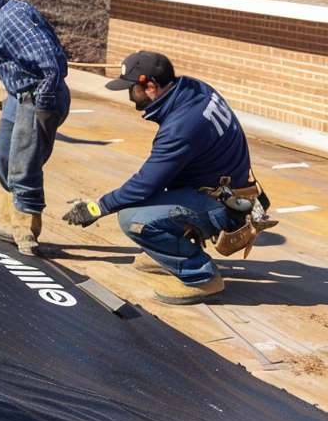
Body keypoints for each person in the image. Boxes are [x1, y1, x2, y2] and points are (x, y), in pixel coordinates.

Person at [61, 51, 256, 304]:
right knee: (154, 196)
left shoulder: (181, 127)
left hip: (219, 204)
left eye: (132, 89)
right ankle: (168, 253)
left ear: (150, 86)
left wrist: (97, 207)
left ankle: (202, 277)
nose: (130, 95)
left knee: (133, 219)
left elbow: (145, 184)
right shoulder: (194, 89)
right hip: (227, 188)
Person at [0, 0, 70, 256]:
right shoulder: (7, 16)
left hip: (38, 96)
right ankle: (10, 219)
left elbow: (50, 66)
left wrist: (42, 106)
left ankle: (25, 230)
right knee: (6, 159)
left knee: (24, 165)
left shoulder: (10, 19)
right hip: (19, 95)